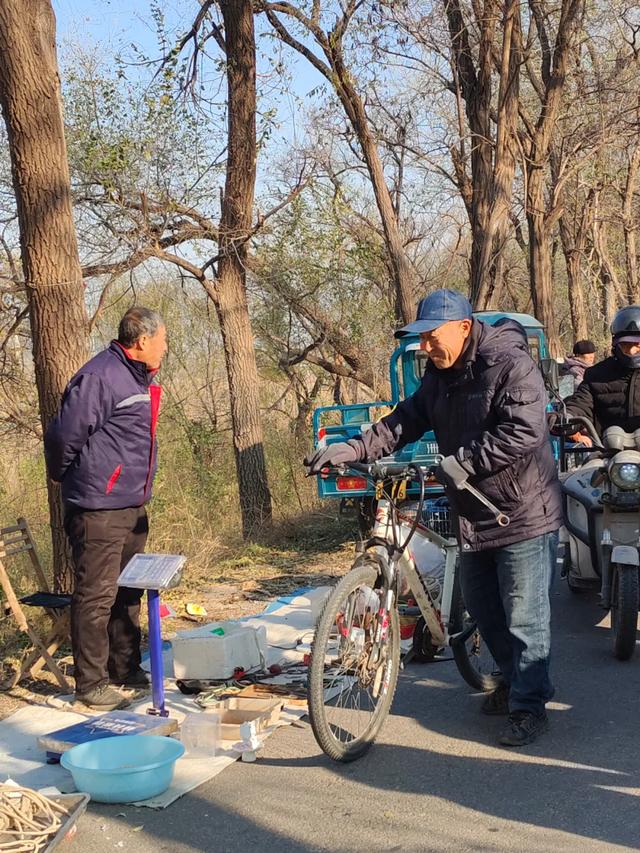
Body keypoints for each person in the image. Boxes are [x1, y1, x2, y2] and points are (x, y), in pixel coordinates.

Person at [305, 289, 562, 746]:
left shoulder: (510, 363)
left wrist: (464, 461)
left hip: (522, 509)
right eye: (420, 339)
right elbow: (404, 420)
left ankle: (530, 706)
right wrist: (354, 448)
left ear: (463, 328)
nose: (425, 347)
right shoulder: (439, 375)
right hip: (474, 512)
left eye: (431, 337)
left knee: (525, 617)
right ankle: (511, 679)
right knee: (485, 609)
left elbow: (525, 429)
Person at [44, 307, 168, 711]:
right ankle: (91, 685)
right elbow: (63, 436)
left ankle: (124, 667)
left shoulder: (138, 377)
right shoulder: (100, 376)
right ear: (142, 341)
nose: (165, 347)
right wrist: (73, 480)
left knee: (127, 591)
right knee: (95, 596)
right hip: (99, 507)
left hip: (132, 505)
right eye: (162, 340)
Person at [564, 307, 640, 446]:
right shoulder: (596, 375)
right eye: (625, 345)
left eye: (637, 345)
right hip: (606, 453)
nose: (631, 351)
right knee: (589, 467)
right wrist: (566, 417)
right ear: (615, 344)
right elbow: (581, 404)